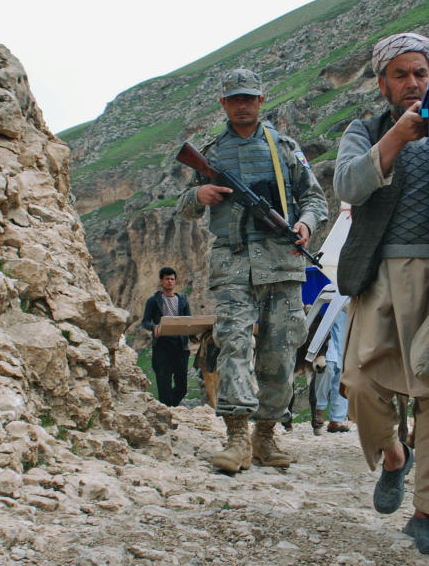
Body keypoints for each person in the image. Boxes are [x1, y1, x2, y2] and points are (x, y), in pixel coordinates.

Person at [334, 33, 429, 558]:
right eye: (401, 75)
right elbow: (347, 185)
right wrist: (396, 141)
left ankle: (426, 514)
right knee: (360, 384)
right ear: (382, 82)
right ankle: (394, 456)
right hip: (380, 276)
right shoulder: (363, 130)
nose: (412, 84)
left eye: (421, 74)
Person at [176, 68, 327, 473]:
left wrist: (306, 224)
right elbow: (184, 206)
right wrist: (199, 194)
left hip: (282, 261)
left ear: (261, 101)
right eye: (235, 99)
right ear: (223, 104)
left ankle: (265, 435)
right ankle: (237, 438)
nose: (243, 105)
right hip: (233, 264)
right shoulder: (212, 152)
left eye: (249, 98)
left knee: (281, 351)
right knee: (234, 345)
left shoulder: (285, 148)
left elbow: (314, 197)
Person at [141, 267, 193, 407]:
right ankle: (168, 412)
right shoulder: (153, 301)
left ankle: (171, 407)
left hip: (180, 345)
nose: (170, 282)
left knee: (182, 386)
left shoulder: (182, 300)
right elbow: (145, 321)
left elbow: (188, 320)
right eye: (167, 279)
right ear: (161, 281)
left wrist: (193, 334)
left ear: (175, 281)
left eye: (172, 279)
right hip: (162, 345)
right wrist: (154, 327)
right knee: (164, 383)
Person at [312, 307, 350, 435]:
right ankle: (318, 409)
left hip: (346, 325)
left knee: (343, 372)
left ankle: (337, 418)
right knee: (327, 367)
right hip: (326, 320)